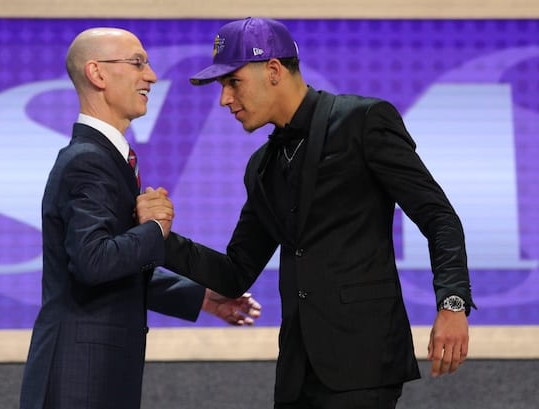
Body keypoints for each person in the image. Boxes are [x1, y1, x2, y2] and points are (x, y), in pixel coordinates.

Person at [160, 17, 476, 408]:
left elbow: (438, 217)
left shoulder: (363, 122)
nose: (225, 99)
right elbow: (234, 273)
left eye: (233, 82)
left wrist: (452, 304)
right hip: (296, 374)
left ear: (273, 70)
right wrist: (159, 239)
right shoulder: (260, 167)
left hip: (364, 365)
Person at [19, 27, 261, 409]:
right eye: (137, 63)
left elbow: (107, 273)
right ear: (97, 74)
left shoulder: (105, 158)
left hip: (94, 372)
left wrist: (201, 298)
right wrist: (155, 229)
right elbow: (92, 262)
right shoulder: (88, 160)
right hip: (80, 378)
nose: (150, 75)